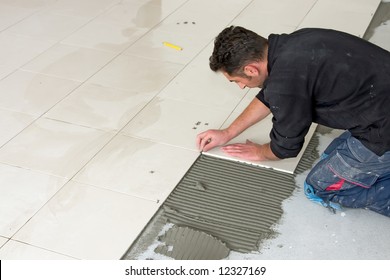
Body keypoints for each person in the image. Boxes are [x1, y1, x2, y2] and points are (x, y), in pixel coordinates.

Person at [196, 26, 390, 217]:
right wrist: (228, 133)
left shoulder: (284, 83)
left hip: (382, 130)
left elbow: (285, 146)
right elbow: (270, 95)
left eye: (237, 80)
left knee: (320, 186)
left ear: (251, 69)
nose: (240, 86)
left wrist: (261, 152)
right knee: (335, 152)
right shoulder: (294, 42)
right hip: (381, 101)